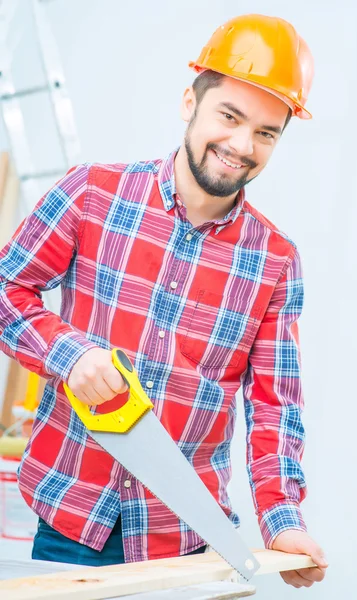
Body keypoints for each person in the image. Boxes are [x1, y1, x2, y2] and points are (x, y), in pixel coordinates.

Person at [0, 14, 327, 589]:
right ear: (189, 102)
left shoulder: (276, 261)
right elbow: (7, 288)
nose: (241, 146)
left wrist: (282, 522)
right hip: (69, 521)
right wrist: (69, 354)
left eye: (267, 132)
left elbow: (275, 406)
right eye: (229, 116)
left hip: (185, 545)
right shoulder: (90, 194)